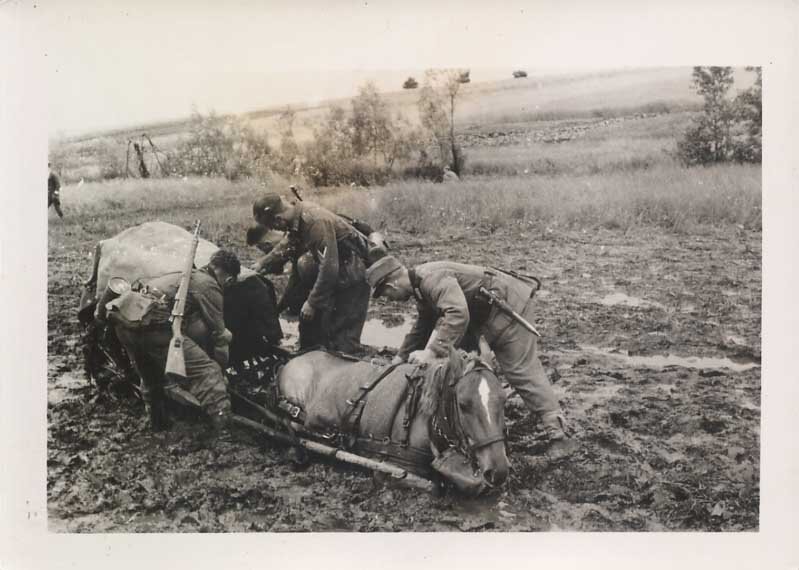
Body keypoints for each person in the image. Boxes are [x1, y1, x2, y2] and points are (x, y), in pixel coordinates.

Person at [366, 255, 573, 454]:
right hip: (483, 318)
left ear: (391, 285)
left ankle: (558, 434)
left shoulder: (432, 278)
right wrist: (399, 359)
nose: (389, 300)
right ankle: (471, 422)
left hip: (510, 308)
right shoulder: (420, 287)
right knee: (461, 368)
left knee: (521, 371)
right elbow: (422, 326)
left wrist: (431, 352)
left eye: (385, 294)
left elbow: (457, 314)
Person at [102, 249, 241, 434]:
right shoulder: (208, 285)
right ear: (229, 278)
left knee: (151, 378)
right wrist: (222, 369)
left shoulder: (179, 275)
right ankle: (226, 435)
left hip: (126, 326)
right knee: (209, 373)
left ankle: (157, 424)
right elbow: (220, 335)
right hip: (155, 331)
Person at [251, 192, 370, 353]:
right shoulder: (296, 216)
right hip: (339, 271)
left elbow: (329, 267)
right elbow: (289, 243)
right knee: (317, 335)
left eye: (273, 227)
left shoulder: (315, 222)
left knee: (343, 342)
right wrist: (262, 263)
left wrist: (312, 302)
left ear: (278, 219)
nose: (275, 230)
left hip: (353, 274)